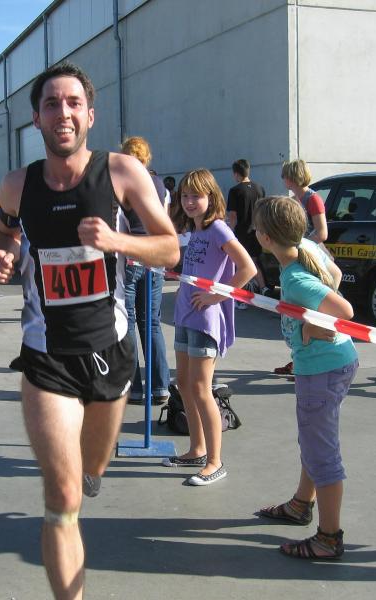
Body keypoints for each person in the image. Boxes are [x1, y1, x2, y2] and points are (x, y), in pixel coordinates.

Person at [0, 61, 178, 599]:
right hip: (46, 356)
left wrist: (119, 242)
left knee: (92, 471)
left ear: (90, 115)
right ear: (37, 119)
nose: (62, 113)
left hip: (111, 351)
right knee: (63, 498)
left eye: (73, 103)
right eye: (51, 104)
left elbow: (169, 248)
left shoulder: (121, 172)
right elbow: (4, 238)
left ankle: (91, 470)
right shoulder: (17, 185)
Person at [253, 195, 358, 559]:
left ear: (266, 237)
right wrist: (310, 322)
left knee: (321, 452)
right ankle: (301, 504)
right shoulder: (307, 247)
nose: (254, 232)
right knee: (313, 440)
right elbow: (336, 276)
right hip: (330, 365)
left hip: (322, 370)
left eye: (256, 228)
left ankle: (328, 538)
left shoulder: (296, 277)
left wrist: (310, 326)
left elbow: (344, 310)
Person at [161, 169, 256, 485]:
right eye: (185, 196)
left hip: (205, 320)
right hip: (185, 316)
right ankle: (197, 450)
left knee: (202, 389)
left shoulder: (218, 229)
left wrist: (216, 295)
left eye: (196, 196)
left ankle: (215, 461)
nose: (189, 202)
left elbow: (247, 267)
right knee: (184, 384)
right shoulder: (196, 229)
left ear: (211, 197)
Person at [119, 136, 171, 405]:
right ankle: (160, 386)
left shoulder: (124, 184)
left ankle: (134, 388)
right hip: (156, 255)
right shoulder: (160, 185)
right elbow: (164, 219)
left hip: (132, 256)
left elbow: (120, 222)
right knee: (151, 322)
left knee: (128, 320)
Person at [274, 159, 330, 376]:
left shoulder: (312, 199)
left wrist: (298, 246)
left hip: (310, 261)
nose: (283, 180)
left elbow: (322, 233)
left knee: (310, 312)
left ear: (291, 178)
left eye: (284, 175)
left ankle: (308, 361)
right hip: (296, 260)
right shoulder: (295, 200)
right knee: (294, 315)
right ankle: (298, 358)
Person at [226, 158, 267, 308]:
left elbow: (233, 216)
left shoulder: (235, 191)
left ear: (236, 174)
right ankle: (264, 288)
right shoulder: (260, 189)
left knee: (240, 264)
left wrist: (230, 232)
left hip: (242, 233)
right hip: (257, 232)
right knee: (253, 261)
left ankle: (240, 299)